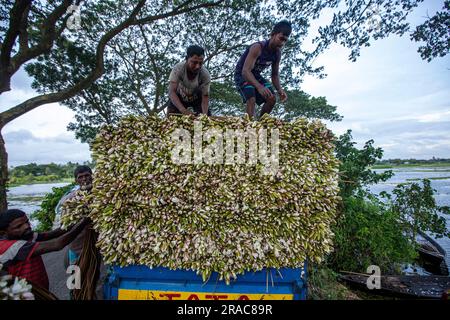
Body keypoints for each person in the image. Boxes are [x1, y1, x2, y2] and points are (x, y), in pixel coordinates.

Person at [0, 208, 89, 291]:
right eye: (19, 226)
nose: (26, 226)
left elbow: (55, 233)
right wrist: (84, 222)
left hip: (40, 289)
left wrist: (75, 219)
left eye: (27, 222)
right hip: (24, 293)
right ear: (4, 232)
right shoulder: (9, 247)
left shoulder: (27, 236)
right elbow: (58, 244)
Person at [234, 20, 291, 119]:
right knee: (251, 98)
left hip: (255, 75)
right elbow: (246, 71)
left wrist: (280, 90)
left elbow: (274, 75)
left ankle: (261, 124)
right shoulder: (258, 47)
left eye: (285, 41)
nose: (282, 43)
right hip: (243, 74)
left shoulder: (277, 53)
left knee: (272, 98)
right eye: (281, 38)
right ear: (272, 34)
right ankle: (249, 126)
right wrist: (259, 87)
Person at [54, 165, 93, 268]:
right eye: (80, 177)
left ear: (92, 176)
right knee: (76, 275)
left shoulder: (101, 194)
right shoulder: (69, 199)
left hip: (96, 243)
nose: (84, 179)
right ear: (76, 180)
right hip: (78, 245)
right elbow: (62, 223)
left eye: (87, 175)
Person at [167, 45, 211, 116]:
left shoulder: (205, 74)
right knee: (171, 118)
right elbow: (172, 92)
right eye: (194, 62)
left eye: (200, 63)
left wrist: (204, 116)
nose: (197, 66)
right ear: (187, 59)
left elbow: (205, 96)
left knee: (205, 119)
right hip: (180, 97)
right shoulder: (178, 69)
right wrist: (183, 110)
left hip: (197, 99)